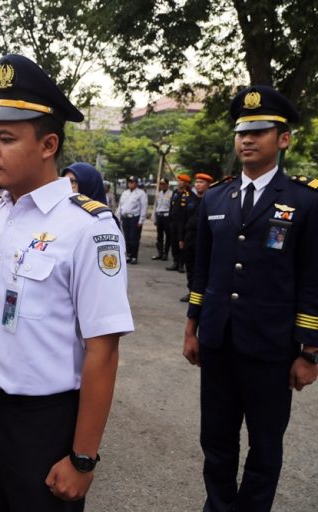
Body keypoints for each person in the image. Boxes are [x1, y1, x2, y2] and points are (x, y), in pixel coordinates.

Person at [0, 53, 134, 512]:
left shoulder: (88, 228)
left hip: (41, 425)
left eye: (7, 138)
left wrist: (82, 457)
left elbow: (103, 348)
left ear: (48, 144)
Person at [183, 85, 318, 512]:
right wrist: (192, 327)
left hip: (271, 348)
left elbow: (313, 278)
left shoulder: (305, 201)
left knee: (265, 447)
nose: (246, 139)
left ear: (283, 139)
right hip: (219, 342)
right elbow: (201, 271)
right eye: (242, 131)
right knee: (216, 442)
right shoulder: (217, 198)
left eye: (259, 131)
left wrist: (310, 351)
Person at [179, 173, 212, 302]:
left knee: (202, 267)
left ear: (208, 185)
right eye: (197, 182)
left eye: (201, 182)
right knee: (190, 266)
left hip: (203, 238)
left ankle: (202, 293)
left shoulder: (212, 200)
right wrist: (181, 238)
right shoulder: (190, 199)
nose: (198, 184)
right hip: (189, 237)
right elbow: (183, 219)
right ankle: (192, 292)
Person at [166, 173, 193, 272]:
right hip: (174, 222)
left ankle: (181, 264)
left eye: (181, 181)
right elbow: (171, 207)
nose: (179, 182)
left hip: (183, 223)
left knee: (181, 243)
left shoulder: (189, 194)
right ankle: (175, 261)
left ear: (186, 183)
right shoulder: (176, 192)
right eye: (179, 180)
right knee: (173, 242)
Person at [117, 176, 147, 264]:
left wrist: (141, 220)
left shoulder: (141, 193)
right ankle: (129, 255)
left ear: (136, 183)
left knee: (134, 238)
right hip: (125, 218)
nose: (130, 183)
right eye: (129, 181)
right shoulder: (125, 193)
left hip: (135, 218)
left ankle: (134, 256)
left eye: (132, 182)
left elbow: (144, 207)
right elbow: (120, 206)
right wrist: (117, 217)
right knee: (127, 238)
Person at [152, 177, 172, 260]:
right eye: (161, 184)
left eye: (164, 184)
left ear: (167, 184)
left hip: (167, 216)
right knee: (159, 236)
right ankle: (160, 253)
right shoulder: (158, 194)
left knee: (168, 236)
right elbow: (155, 206)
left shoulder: (171, 194)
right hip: (159, 216)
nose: (162, 185)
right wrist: (155, 218)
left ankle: (165, 254)